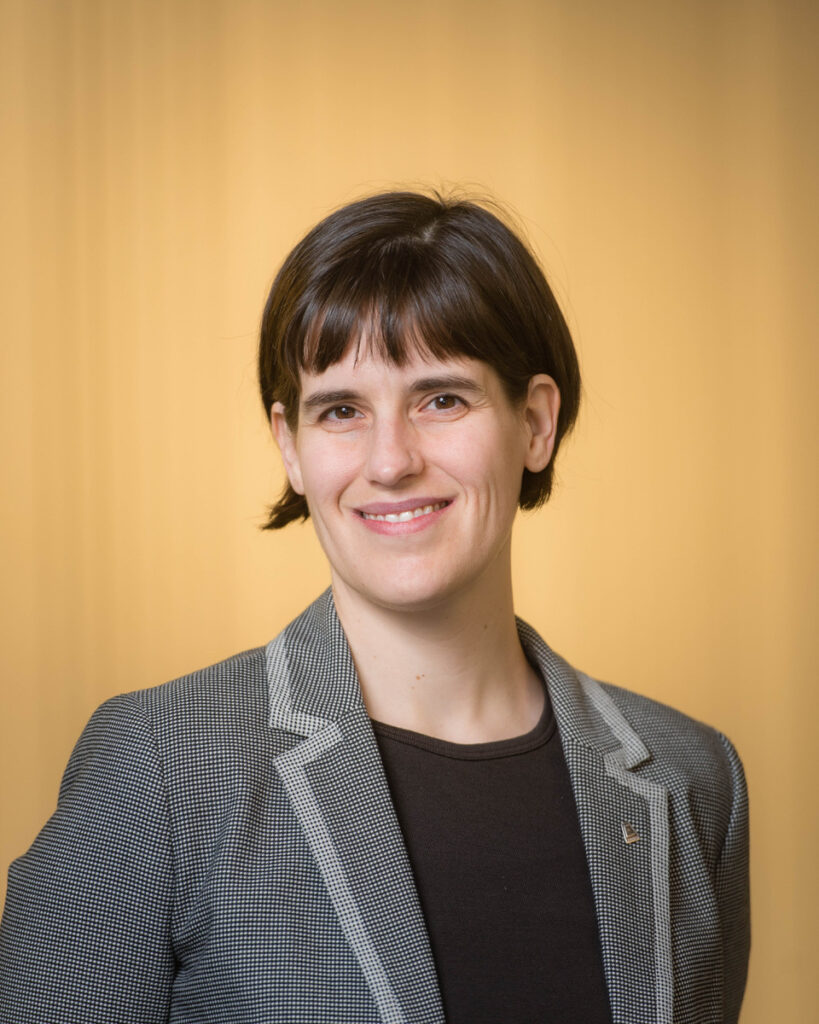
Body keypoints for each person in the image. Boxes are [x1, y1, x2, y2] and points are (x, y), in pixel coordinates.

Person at [0, 191, 749, 1023]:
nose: (390, 461)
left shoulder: (693, 778)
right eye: (342, 411)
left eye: (441, 399)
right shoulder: (160, 767)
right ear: (290, 445)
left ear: (535, 422)